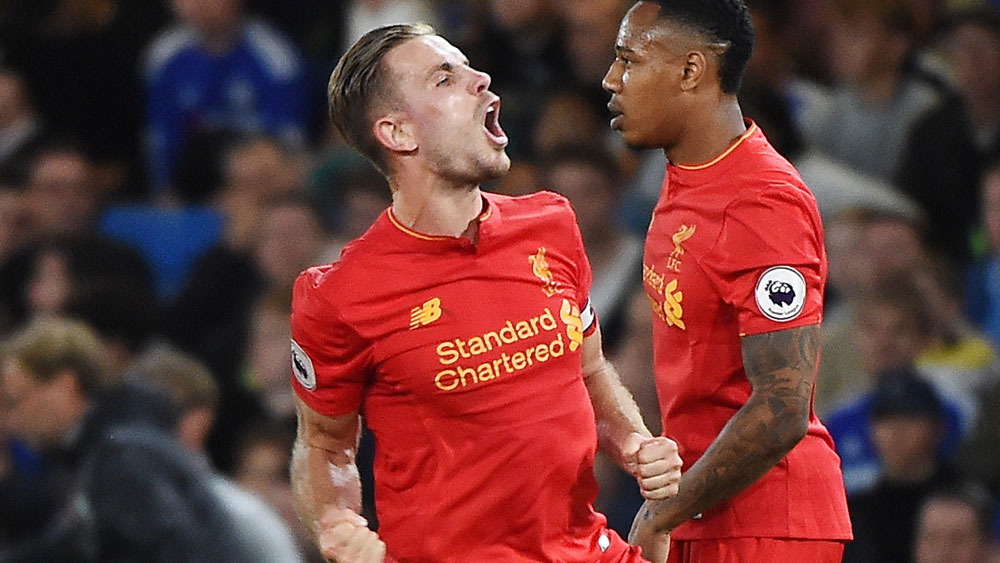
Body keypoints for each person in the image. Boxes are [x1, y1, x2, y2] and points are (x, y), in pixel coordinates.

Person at [290, 23, 683, 563]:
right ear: (398, 134)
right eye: (444, 78)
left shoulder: (552, 222)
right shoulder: (338, 296)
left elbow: (588, 368)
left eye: (469, 66)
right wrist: (336, 523)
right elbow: (324, 444)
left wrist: (636, 444)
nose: (481, 79)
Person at [602, 2, 852, 562]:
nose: (610, 80)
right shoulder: (686, 178)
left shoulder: (761, 200)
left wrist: (664, 510)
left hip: (767, 524)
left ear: (692, 71)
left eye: (628, 60)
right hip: (706, 510)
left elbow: (783, 404)